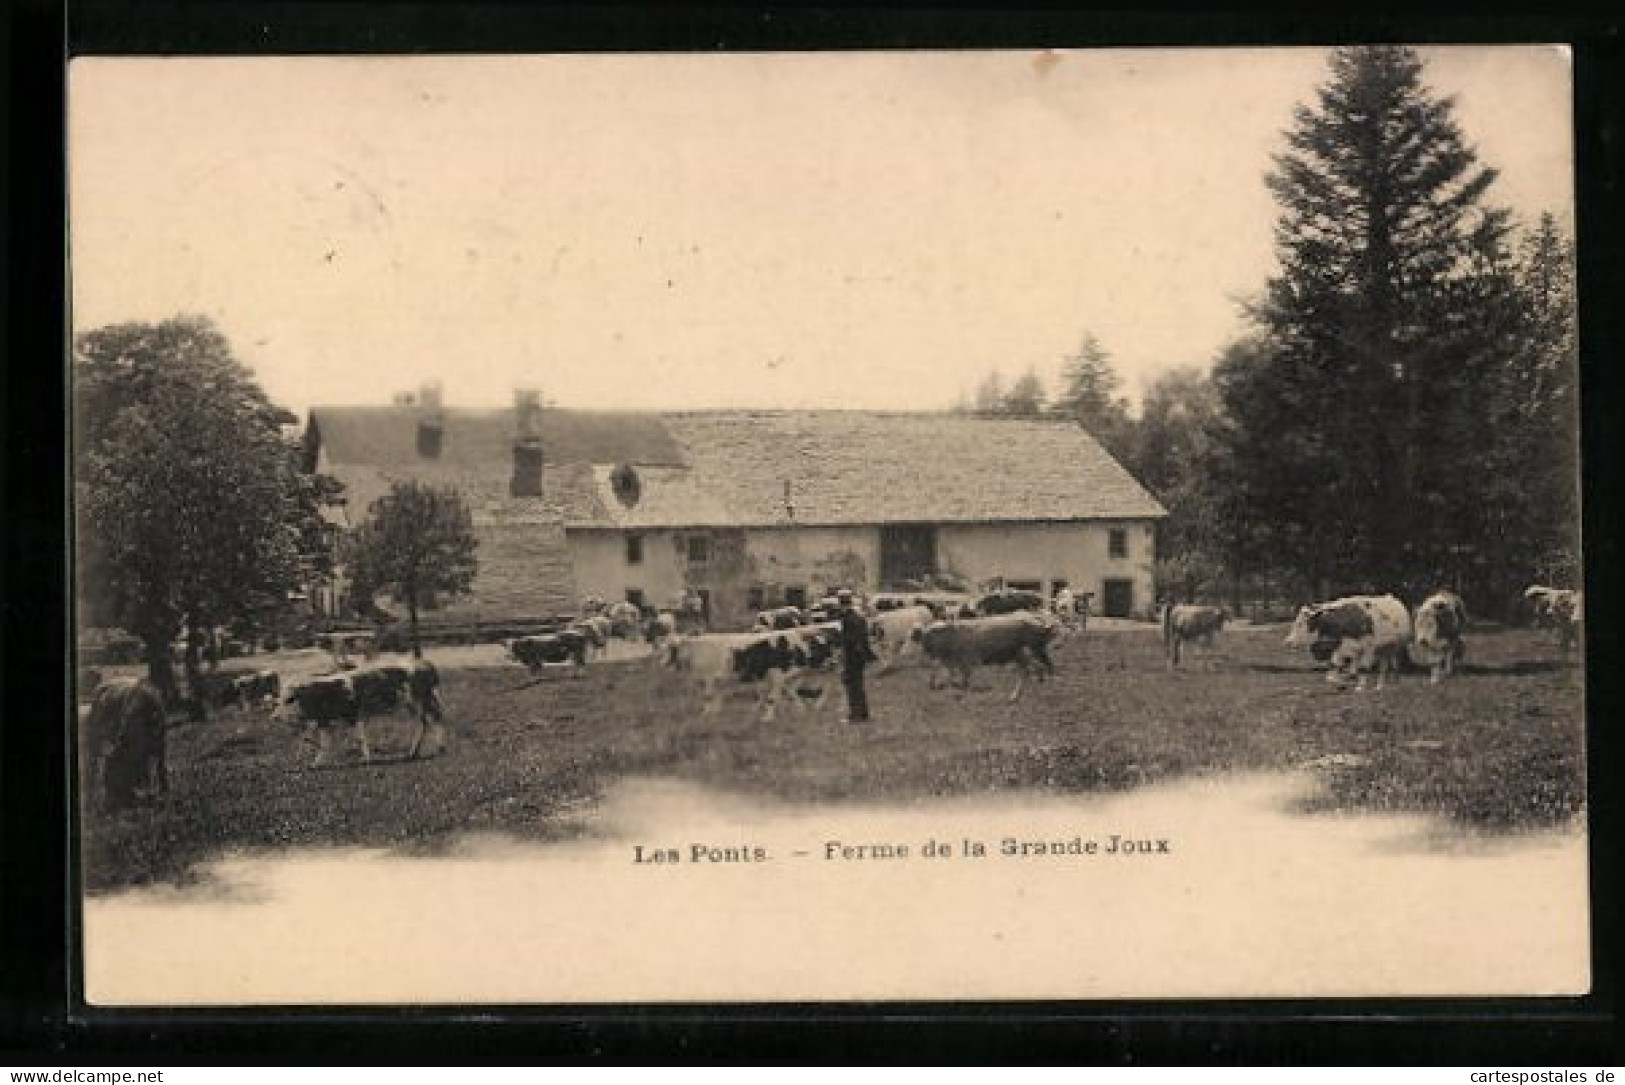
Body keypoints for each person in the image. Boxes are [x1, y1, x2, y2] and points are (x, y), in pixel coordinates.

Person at [836, 588, 876, 724]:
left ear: (841, 603)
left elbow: (849, 640)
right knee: (858, 685)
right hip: (860, 656)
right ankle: (863, 713)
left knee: (853, 687)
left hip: (852, 656)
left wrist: (843, 654)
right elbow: (864, 638)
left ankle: (855, 715)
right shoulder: (859, 618)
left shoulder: (847, 619)